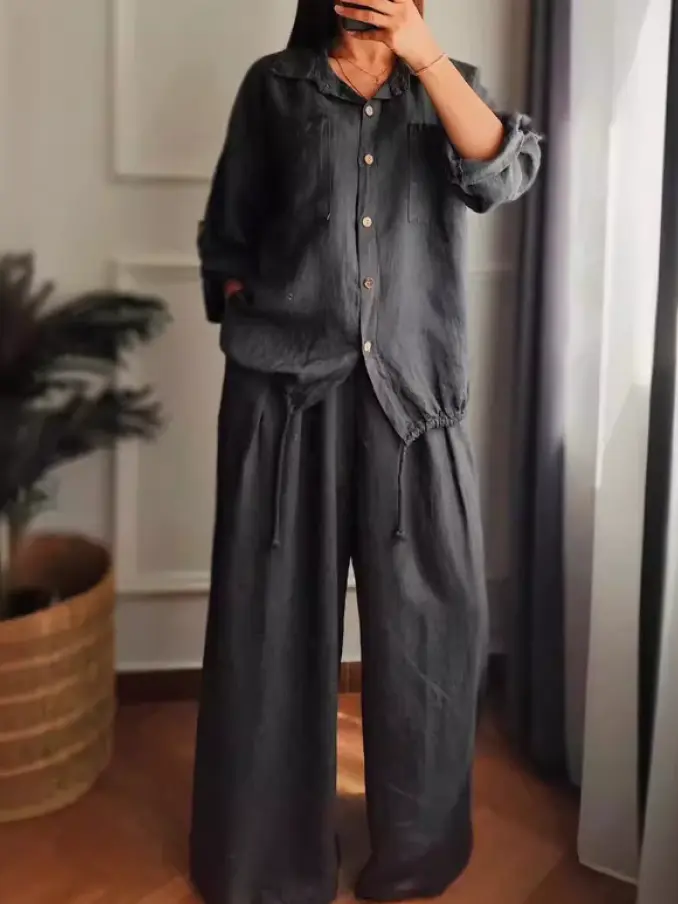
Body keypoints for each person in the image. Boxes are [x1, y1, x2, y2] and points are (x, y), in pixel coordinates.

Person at [190, 2, 542, 904]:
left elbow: (502, 174)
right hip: (285, 398)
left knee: (432, 629)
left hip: (416, 399)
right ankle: (266, 864)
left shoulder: (448, 86)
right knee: (270, 627)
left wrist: (424, 58)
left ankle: (417, 859)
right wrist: (271, 313)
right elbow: (230, 232)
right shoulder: (276, 86)